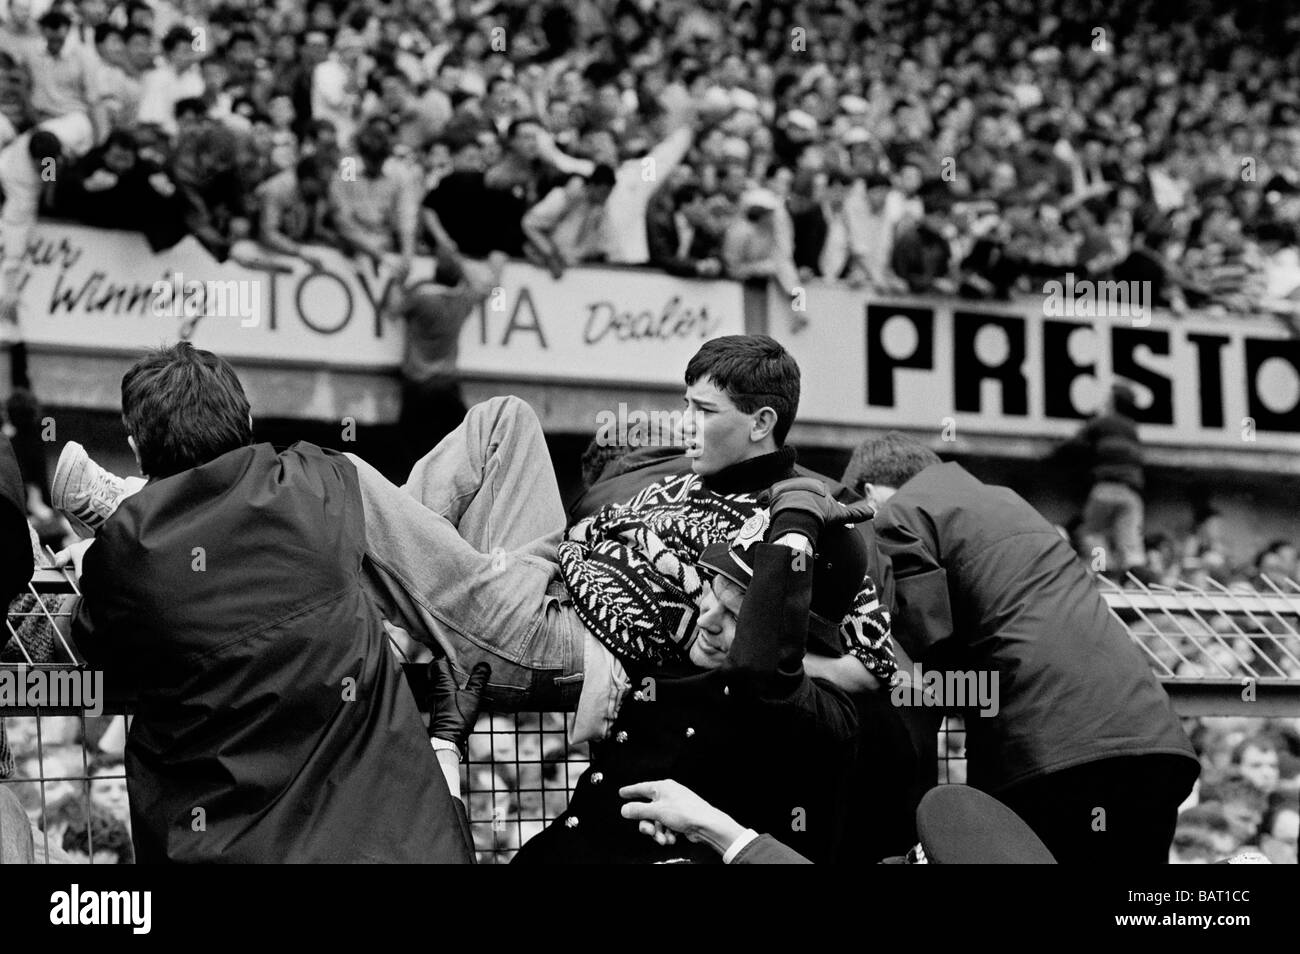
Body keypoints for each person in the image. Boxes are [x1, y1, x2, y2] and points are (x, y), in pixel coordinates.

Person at [60, 343, 475, 863]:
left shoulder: (123, 556)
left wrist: (112, 542)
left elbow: (96, 654)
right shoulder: (317, 479)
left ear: (138, 451)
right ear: (249, 419)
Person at [845, 431, 1199, 864]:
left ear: (868, 493)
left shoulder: (899, 514)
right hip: (1156, 747)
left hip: (1048, 759)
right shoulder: (1013, 505)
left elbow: (922, 670)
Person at [512, 485, 874, 863]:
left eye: (735, 615)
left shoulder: (827, 718)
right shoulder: (684, 649)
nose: (704, 619)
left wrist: (796, 527)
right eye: (713, 590)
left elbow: (761, 672)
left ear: (799, 631)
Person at [1059, 381, 1149, 580]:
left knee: (1093, 533)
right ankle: (1136, 573)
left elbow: (1074, 445)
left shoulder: (1104, 422)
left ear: (1114, 402)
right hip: (1131, 494)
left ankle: (1102, 567)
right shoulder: (1133, 430)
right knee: (1130, 540)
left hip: (1105, 489)